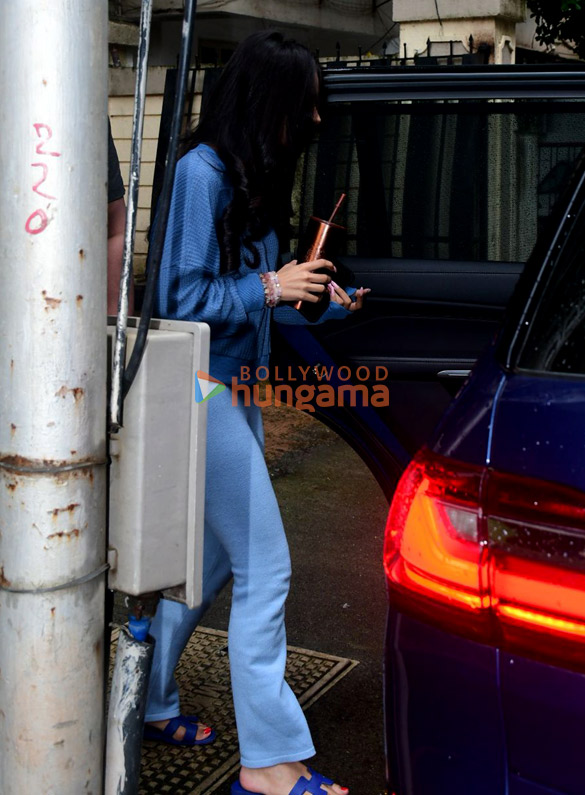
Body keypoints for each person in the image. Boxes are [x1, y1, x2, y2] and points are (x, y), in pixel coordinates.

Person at [142, 30, 368, 795]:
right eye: (305, 102)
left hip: (231, 391)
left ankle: (150, 697)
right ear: (267, 99)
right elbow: (179, 299)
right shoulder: (200, 174)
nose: (314, 118)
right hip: (197, 390)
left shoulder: (250, 178)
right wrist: (272, 286)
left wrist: (323, 301)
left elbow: (262, 296)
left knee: (208, 562)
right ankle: (268, 762)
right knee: (265, 568)